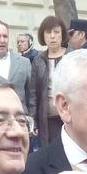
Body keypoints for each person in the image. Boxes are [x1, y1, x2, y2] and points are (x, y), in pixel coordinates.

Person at [35, 14, 68, 146]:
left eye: (56, 32)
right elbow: (33, 93)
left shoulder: (71, 56)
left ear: (62, 34)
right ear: (43, 36)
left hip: (70, 115)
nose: (52, 36)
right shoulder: (38, 60)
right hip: (48, 118)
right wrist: (34, 121)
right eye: (48, 32)